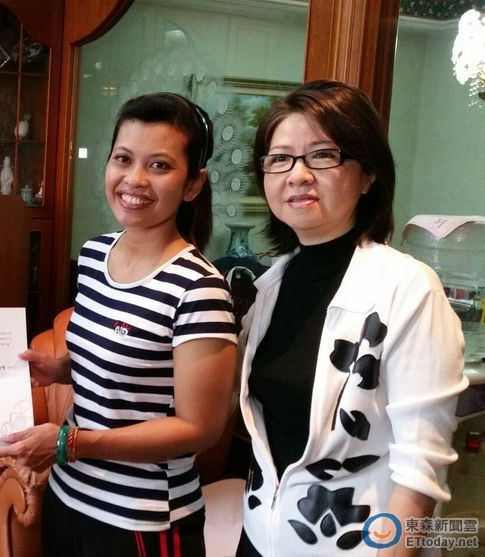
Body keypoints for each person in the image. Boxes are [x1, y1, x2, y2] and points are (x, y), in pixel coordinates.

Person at [0, 93, 238, 556]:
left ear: (193, 184)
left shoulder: (199, 289)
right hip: (69, 496)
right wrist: (61, 368)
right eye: (123, 158)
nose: (135, 179)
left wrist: (71, 443)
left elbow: (200, 428)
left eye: (159, 165)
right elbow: (130, 362)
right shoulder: (95, 254)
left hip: (142, 518)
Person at [236, 80, 468, 556]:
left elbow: (419, 473)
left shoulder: (408, 289)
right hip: (258, 537)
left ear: (368, 176)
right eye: (280, 159)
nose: (298, 175)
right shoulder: (267, 289)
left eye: (322, 155)